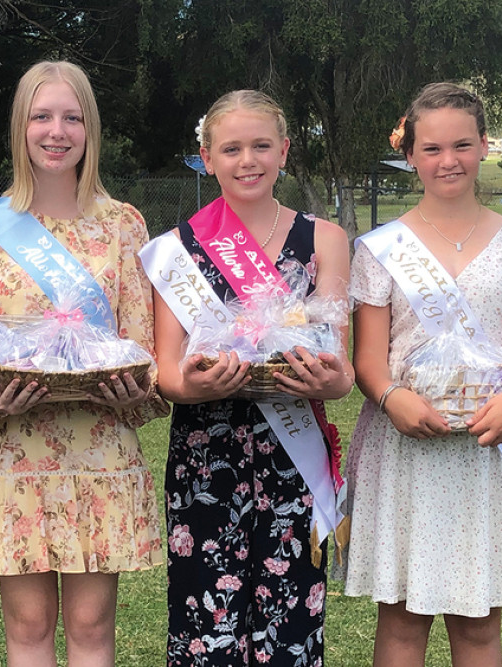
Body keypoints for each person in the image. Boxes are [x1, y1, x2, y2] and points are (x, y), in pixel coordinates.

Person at [339, 82, 502, 666]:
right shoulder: (379, 248)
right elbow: (367, 355)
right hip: (406, 446)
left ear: (484, 146)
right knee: (401, 618)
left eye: (462, 145)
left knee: (478, 622)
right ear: (409, 153)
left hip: (492, 445)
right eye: (433, 148)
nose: (449, 160)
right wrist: (390, 398)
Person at [0, 60, 167, 666]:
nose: (56, 131)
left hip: (100, 449)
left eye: (71, 117)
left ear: (89, 128)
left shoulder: (125, 224)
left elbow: (141, 347)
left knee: (93, 624)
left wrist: (131, 392)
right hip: (15, 453)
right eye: (41, 116)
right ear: (21, 127)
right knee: (28, 623)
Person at [149, 90, 353, 666]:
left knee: (291, 621)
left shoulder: (325, 241)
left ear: (284, 151)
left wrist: (324, 378)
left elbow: (341, 372)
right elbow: (168, 372)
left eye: (262, 145)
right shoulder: (175, 251)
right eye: (231, 148)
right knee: (203, 620)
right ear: (205, 157)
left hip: (293, 455)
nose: (248, 160)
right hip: (204, 453)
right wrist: (196, 384)